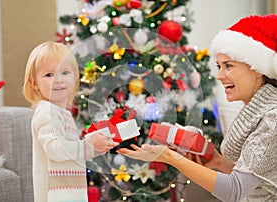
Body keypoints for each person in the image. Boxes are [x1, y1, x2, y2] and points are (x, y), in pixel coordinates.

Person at [118, 14, 277, 201]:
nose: (219, 75)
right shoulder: (258, 111)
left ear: (257, 68)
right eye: (218, 66)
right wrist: (219, 161)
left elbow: (234, 190)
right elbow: (261, 181)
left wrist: (170, 158)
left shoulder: (271, 118)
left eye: (228, 66)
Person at [23, 41, 119, 202]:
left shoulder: (61, 113)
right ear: (35, 83)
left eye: (64, 72)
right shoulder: (47, 112)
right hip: (56, 195)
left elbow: (70, 151)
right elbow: (56, 150)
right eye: (49, 75)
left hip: (71, 192)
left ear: (75, 77)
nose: (58, 80)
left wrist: (96, 146)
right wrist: (89, 145)